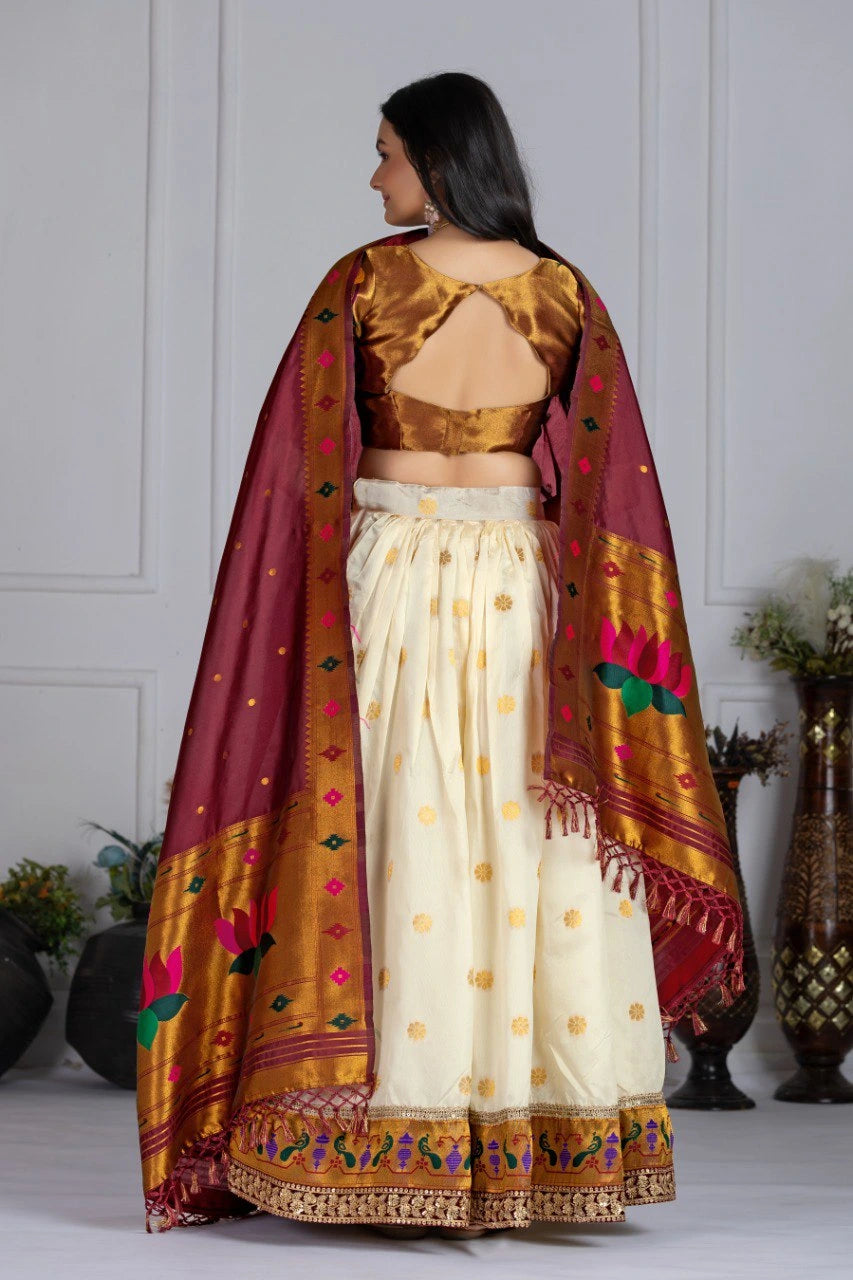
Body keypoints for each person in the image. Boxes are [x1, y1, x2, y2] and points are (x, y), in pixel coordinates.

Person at [137, 72, 744, 1241]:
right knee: (521, 836)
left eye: (386, 154)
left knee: (397, 827)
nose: (374, 180)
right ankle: (534, 1135)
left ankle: (393, 1131)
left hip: (393, 581)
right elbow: (616, 497)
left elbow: (287, 476)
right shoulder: (566, 292)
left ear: (436, 156)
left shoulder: (363, 282)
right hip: (524, 590)